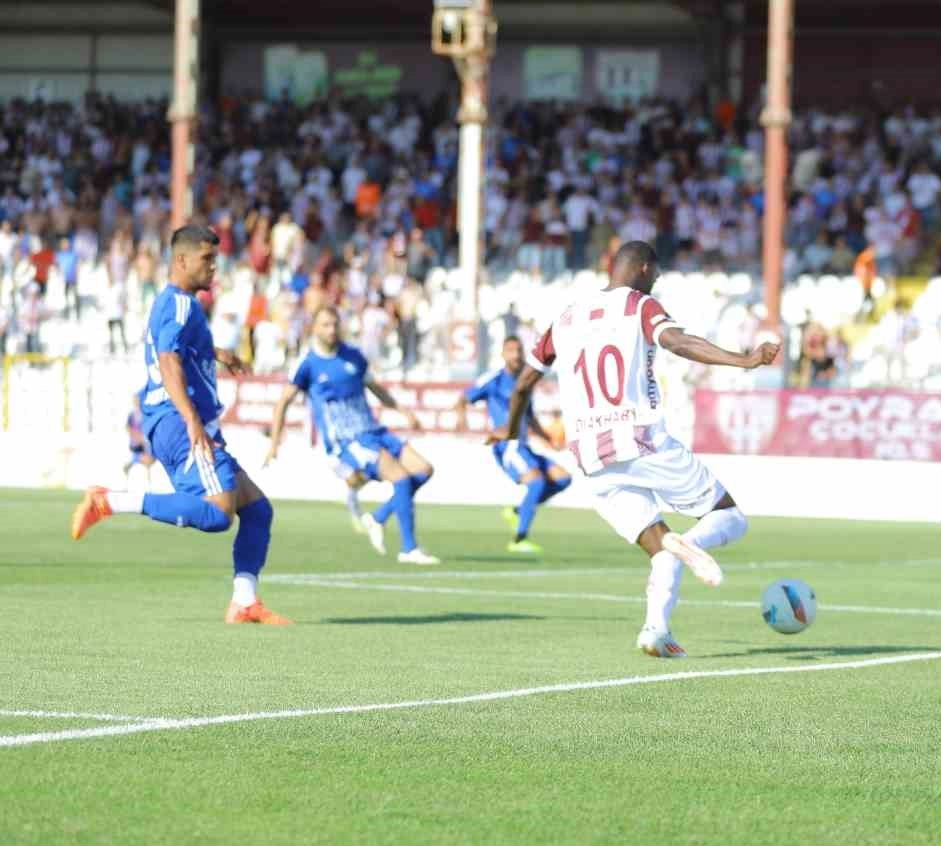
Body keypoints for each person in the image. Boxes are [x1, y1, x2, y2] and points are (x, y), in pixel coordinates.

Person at [493, 241, 779, 659]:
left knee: (660, 549)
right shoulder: (639, 305)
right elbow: (677, 342)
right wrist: (745, 360)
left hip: (591, 457)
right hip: (640, 440)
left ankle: (655, 631)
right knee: (730, 518)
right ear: (643, 268)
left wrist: (510, 432)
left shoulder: (565, 318)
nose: (656, 281)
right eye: (656, 274)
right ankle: (690, 543)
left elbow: (522, 387)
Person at [70, 225, 290, 625]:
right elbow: (168, 359)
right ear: (182, 260)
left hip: (172, 421)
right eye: (207, 259)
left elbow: (176, 347)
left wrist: (217, 353)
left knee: (257, 510)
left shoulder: (176, 303)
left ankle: (244, 601)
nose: (214, 267)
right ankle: (109, 501)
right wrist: (191, 419)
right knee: (219, 512)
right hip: (177, 421)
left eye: (215, 259)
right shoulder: (181, 305)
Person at [264, 305, 440, 566]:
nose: (331, 330)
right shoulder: (307, 364)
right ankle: (408, 548)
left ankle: (378, 518)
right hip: (348, 440)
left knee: (424, 469)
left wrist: (403, 412)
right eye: (325, 325)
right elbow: (283, 403)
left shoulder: (354, 356)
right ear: (314, 328)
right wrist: (274, 443)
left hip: (374, 429)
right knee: (401, 478)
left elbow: (375, 388)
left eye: (335, 324)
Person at [455, 336, 572, 554]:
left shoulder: (525, 380)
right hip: (507, 445)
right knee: (536, 482)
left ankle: (518, 512)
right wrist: (462, 420)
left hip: (524, 446)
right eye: (511, 350)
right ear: (502, 354)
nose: (516, 355)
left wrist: (547, 439)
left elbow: (529, 416)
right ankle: (519, 539)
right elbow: (463, 399)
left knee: (563, 478)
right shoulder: (494, 379)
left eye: (519, 350)